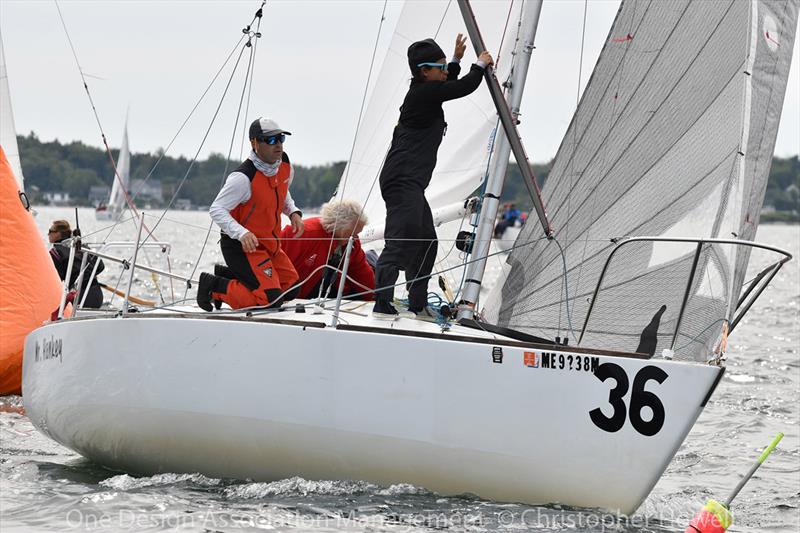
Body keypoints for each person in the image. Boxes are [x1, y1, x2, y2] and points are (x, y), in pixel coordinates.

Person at [372, 34, 493, 317]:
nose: (443, 71)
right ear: (424, 71)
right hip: (401, 180)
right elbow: (462, 87)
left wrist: (456, 59)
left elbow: (448, 80)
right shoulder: (422, 94)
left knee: (427, 242)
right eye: (438, 67)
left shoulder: (428, 90)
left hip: (411, 183)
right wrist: (480, 65)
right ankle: (382, 304)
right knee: (401, 241)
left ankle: (417, 304)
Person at [196, 117, 304, 311]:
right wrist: (241, 233)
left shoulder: (284, 165)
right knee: (270, 299)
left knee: (292, 287)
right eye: (270, 140)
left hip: (269, 244)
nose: (278, 145)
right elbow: (217, 209)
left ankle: (229, 276)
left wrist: (293, 212)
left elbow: (282, 191)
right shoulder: (243, 178)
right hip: (242, 247)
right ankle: (213, 287)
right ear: (254, 143)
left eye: (281, 139)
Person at [281, 200, 375, 300]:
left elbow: (362, 273)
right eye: (354, 232)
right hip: (294, 297)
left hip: (328, 294)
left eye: (357, 233)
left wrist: (375, 297)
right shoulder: (303, 233)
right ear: (339, 224)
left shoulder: (352, 243)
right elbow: (273, 254)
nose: (356, 237)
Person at [48, 220, 105, 308]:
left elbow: (56, 279)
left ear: (58, 233)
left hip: (79, 298)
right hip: (97, 295)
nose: (48, 234)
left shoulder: (55, 252)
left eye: (50, 231)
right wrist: (88, 275)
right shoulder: (82, 246)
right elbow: (100, 266)